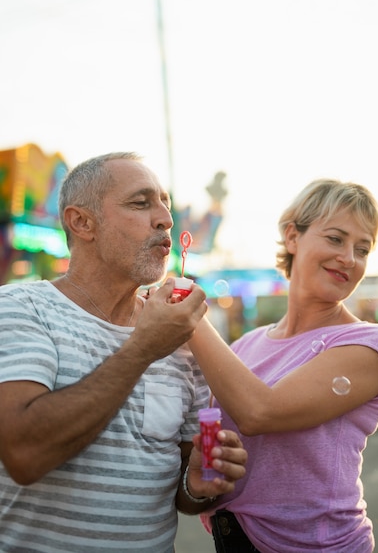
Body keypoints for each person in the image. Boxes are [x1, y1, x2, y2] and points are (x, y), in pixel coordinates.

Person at [0, 152, 247, 553]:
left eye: (165, 204)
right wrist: (143, 348)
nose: (165, 218)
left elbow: (182, 491)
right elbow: (24, 455)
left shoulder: (182, 340)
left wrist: (198, 483)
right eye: (141, 202)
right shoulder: (19, 309)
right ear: (82, 222)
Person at [188, 178, 378, 553]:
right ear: (292, 237)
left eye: (362, 248)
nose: (350, 257)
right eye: (336, 239)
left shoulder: (367, 343)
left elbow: (259, 412)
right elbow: (205, 461)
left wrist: (190, 319)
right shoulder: (246, 346)